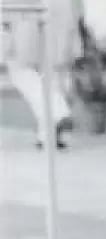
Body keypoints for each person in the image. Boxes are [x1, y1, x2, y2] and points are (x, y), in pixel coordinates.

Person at [6, 0, 81, 149]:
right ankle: (48, 133)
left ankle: (57, 111)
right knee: (54, 69)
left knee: (20, 69)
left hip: (27, 10)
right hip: (61, 7)